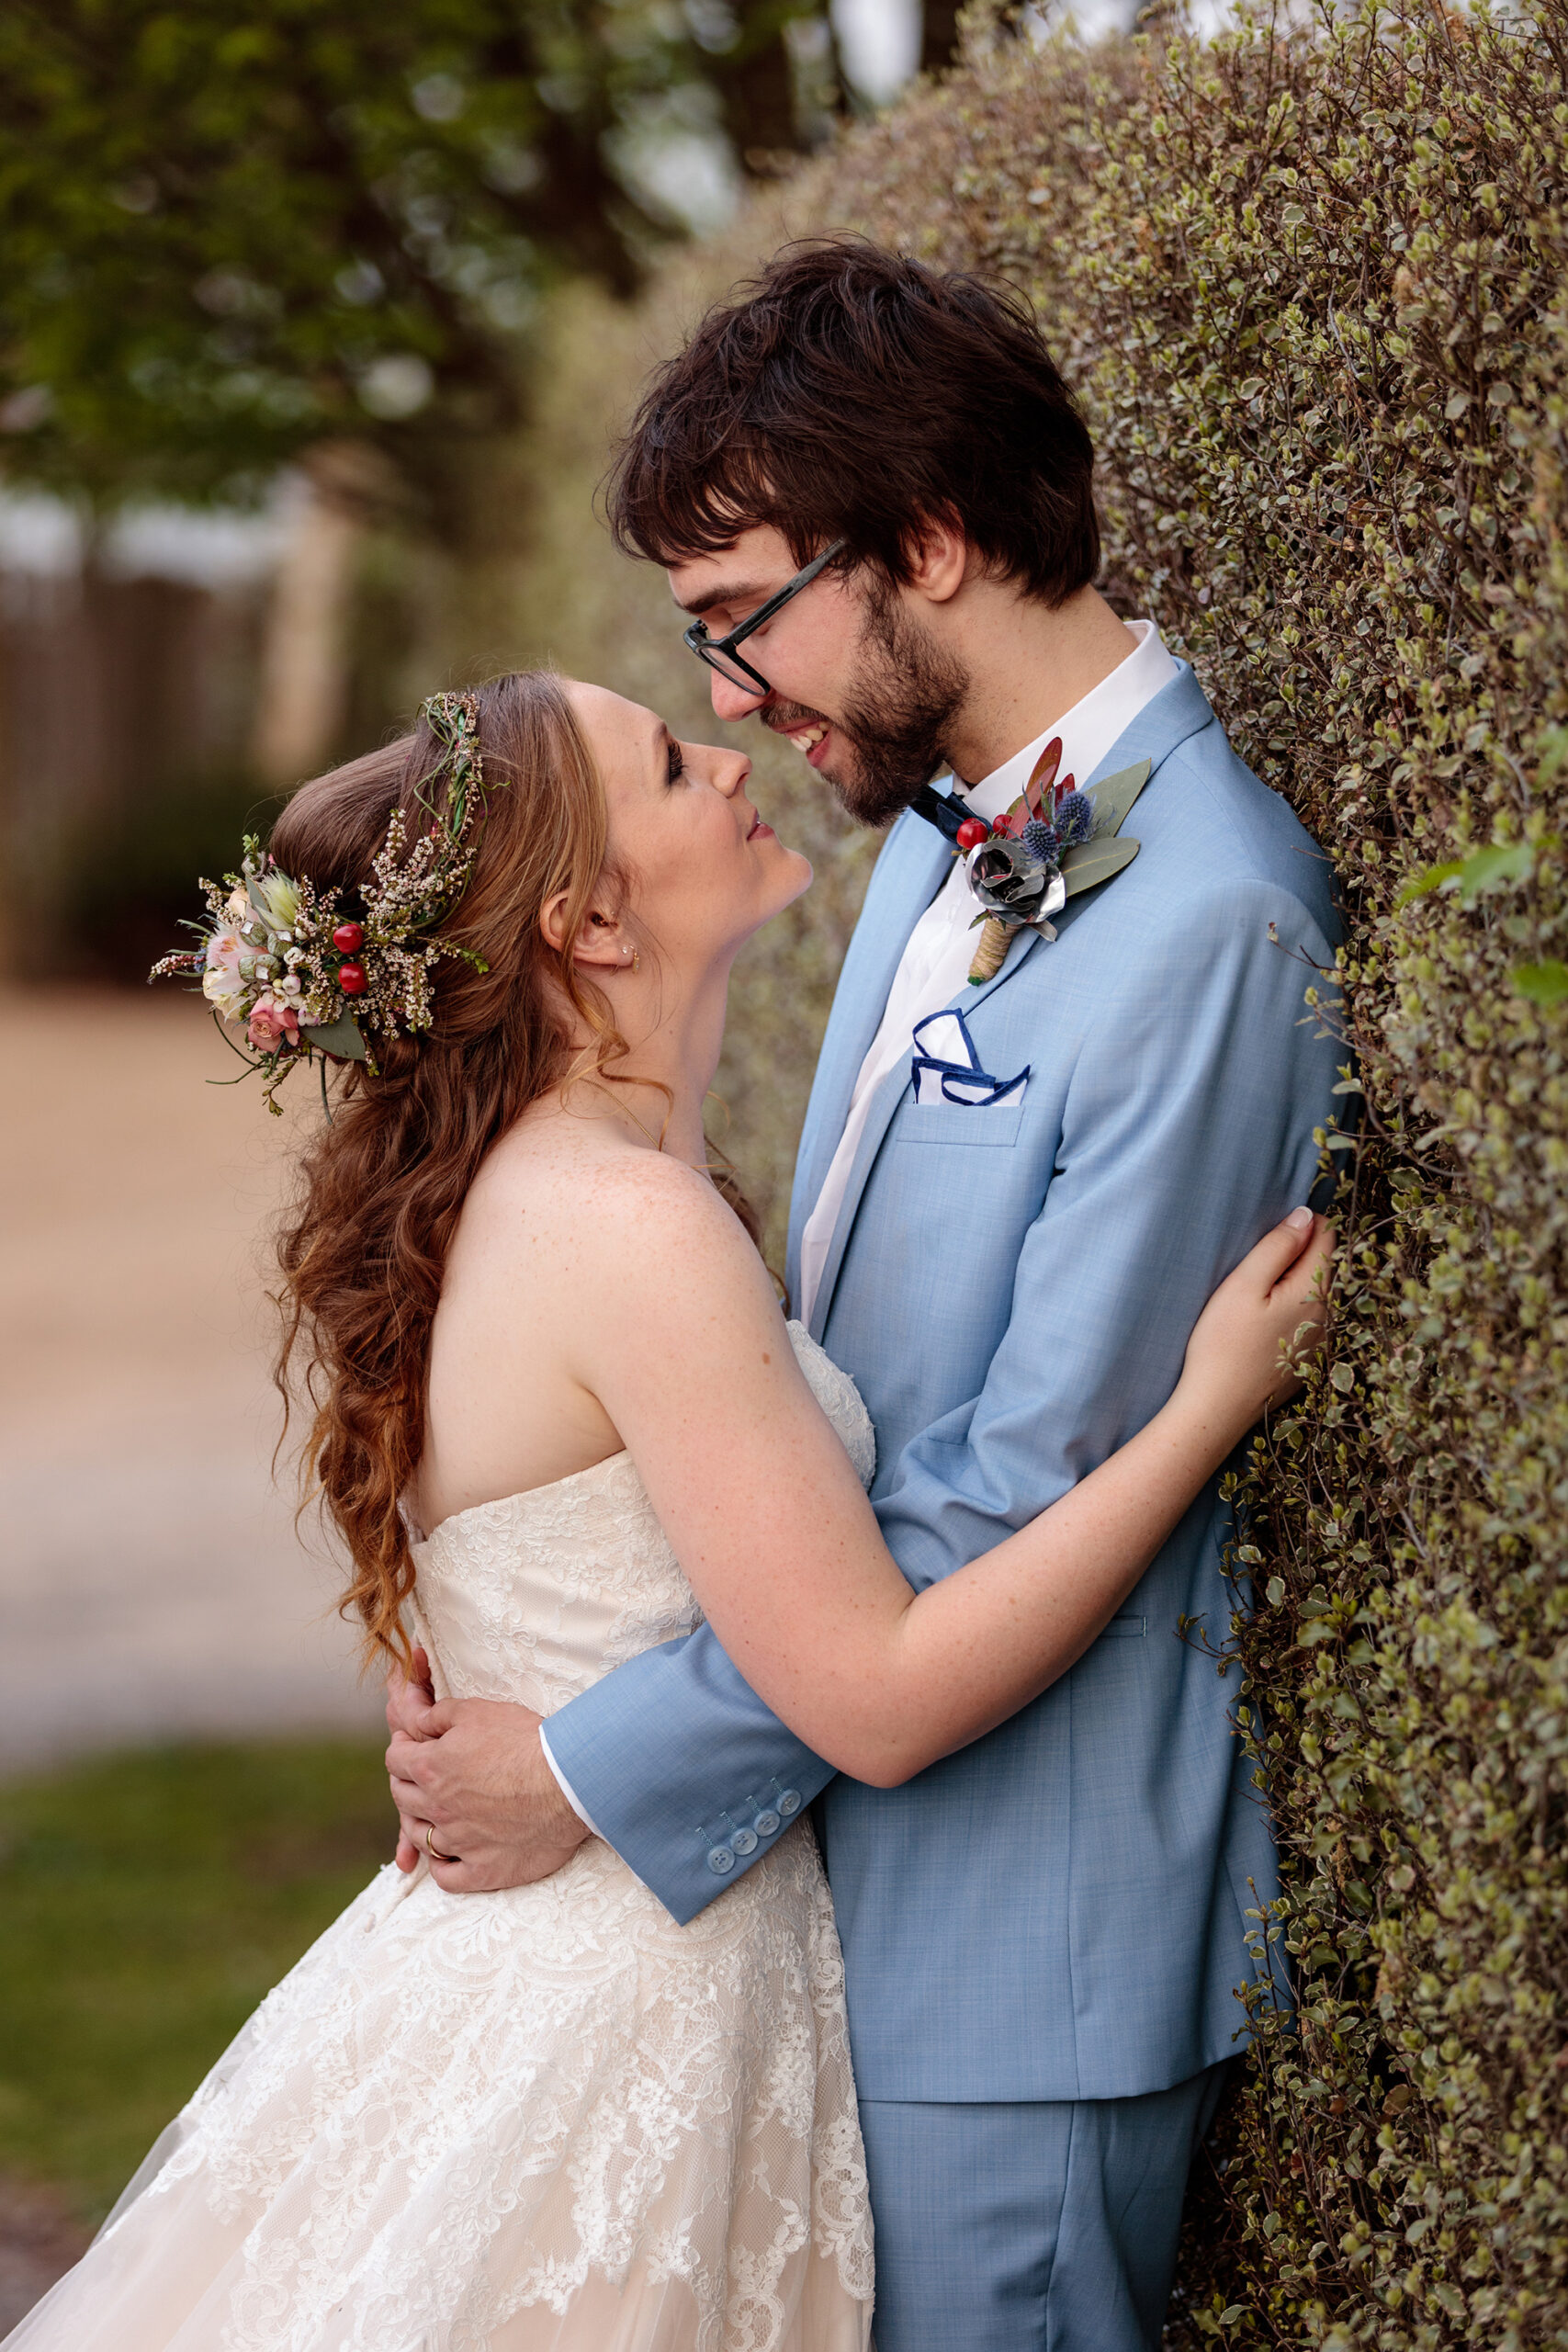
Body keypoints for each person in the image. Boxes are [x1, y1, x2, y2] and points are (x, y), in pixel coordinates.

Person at [6, 669, 1328, 2352]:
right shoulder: (630, 1229)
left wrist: (540, 1746)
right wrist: (1207, 1407)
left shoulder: (544, 1196)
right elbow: (885, 1692)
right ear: (590, 921)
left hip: (572, 1961)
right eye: (667, 762)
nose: (726, 752)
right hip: (635, 2019)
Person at [383, 243, 1345, 2351]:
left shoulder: (1213, 926)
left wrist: (595, 1759)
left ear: (922, 539)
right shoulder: (918, 839)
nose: (725, 693)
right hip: (815, 1922)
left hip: (1013, 1971)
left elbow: (1010, 1494)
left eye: (740, 615)